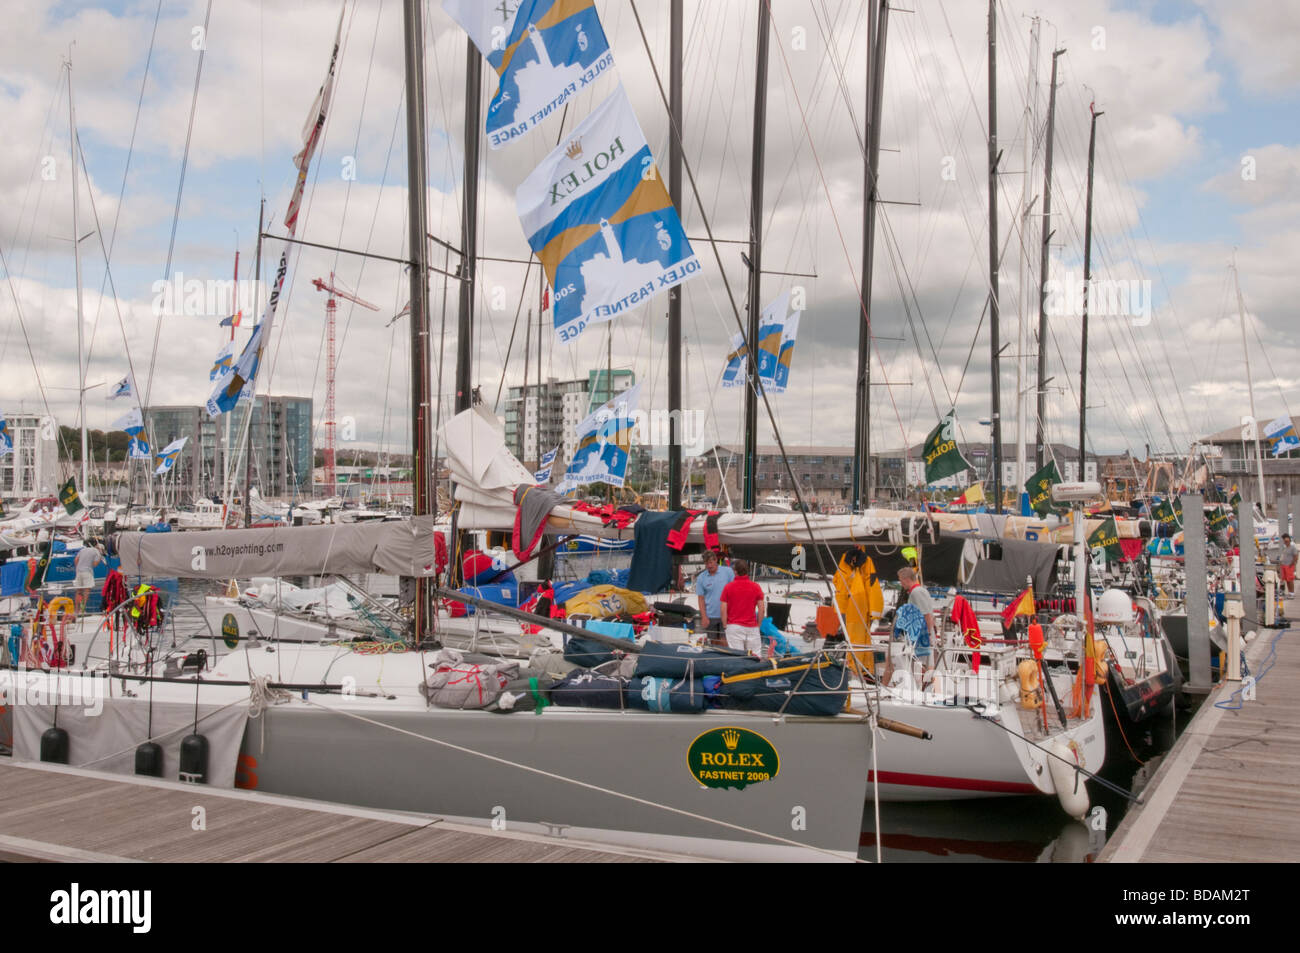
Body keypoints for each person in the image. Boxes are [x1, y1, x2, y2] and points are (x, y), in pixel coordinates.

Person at [834, 547, 883, 676]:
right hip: (849, 610)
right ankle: (857, 668)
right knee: (856, 641)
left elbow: (872, 586)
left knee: (858, 641)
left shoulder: (864, 565)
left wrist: (874, 611)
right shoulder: (845, 566)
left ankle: (857, 669)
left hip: (858, 610)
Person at [897, 566, 937, 677]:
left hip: (922, 635)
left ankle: (924, 689)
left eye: (901, 580)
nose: (901, 583)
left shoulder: (916, 593)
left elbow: (927, 615)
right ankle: (927, 688)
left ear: (906, 579)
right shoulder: (921, 590)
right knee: (924, 665)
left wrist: (928, 634)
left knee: (922, 666)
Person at [719, 559, 765, 656]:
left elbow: (723, 609)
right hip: (752, 627)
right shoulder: (756, 587)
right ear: (747, 571)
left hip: (734, 627)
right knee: (756, 657)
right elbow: (762, 609)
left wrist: (724, 626)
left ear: (735, 571)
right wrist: (758, 625)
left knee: (737, 658)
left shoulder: (728, 587)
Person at [694, 551, 734, 645]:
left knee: (725, 642)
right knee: (713, 644)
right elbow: (701, 599)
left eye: (711, 562)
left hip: (727, 615)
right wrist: (704, 617)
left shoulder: (728, 572)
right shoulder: (701, 578)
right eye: (706, 563)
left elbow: (734, 591)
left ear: (716, 560)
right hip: (711, 616)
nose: (709, 565)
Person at [73, 540, 104, 618]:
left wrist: (79, 568)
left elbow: (76, 560)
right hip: (87, 572)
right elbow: (95, 564)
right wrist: (99, 557)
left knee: (78, 591)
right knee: (86, 591)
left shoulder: (82, 550)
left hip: (79, 572)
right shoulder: (96, 551)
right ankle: (82, 610)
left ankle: (76, 610)